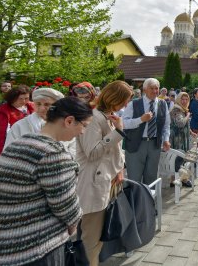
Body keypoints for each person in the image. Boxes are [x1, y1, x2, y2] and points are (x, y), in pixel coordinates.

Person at [0, 97, 92, 265]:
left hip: (7, 244)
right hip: (38, 247)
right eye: (84, 125)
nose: (83, 132)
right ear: (69, 121)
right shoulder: (52, 154)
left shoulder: (19, 143)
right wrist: (74, 222)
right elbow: (65, 206)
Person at [76, 80, 133, 266]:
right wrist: (118, 132)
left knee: (97, 238)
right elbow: (92, 152)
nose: (126, 105)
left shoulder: (106, 116)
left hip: (106, 182)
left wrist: (120, 169)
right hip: (93, 185)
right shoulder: (92, 117)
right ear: (114, 97)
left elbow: (114, 151)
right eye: (124, 100)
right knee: (90, 240)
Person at [123, 78, 171, 184]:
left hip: (155, 144)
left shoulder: (163, 104)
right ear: (144, 90)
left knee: (151, 177)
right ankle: (135, 200)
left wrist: (166, 139)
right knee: (134, 178)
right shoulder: (134, 104)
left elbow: (166, 125)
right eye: (151, 88)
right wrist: (141, 119)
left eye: (156, 88)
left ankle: (149, 200)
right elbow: (123, 124)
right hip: (136, 144)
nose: (155, 91)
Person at [0, 85, 34, 156]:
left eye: (26, 98)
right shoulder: (3, 111)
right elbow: (1, 134)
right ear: (13, 98)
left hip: (31, 143)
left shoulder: (32, 106)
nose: (23, 101)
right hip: (12, 145)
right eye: (20, 99)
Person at [169, 92, 195, 188]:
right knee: (178, 157)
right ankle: (178, 179)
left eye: (186, 99)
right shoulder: (177, 109)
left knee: (180, 158)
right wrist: (188, 115)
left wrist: (191, 132)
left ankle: (179, 178)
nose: (184, 101)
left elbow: (185, 124)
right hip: (177, 138)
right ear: (178, 99)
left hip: (182, 137)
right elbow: (180, 123)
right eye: (182, 99)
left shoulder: (183, 109)